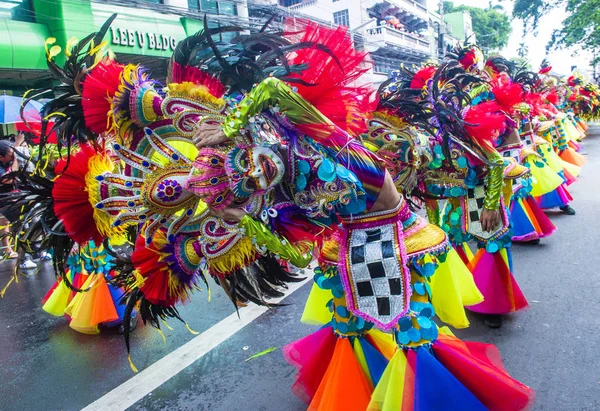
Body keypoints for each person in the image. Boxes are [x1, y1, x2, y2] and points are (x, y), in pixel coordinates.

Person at [0, 141, 18, 259]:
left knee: (15, 222)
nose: (13, 156)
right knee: (3, 222)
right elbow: (8, 179)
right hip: (3, 197)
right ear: (1, 157)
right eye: (11, 154)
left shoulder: (8, 161)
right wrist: (16, 161)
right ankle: (7, 250)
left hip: (13, 196)